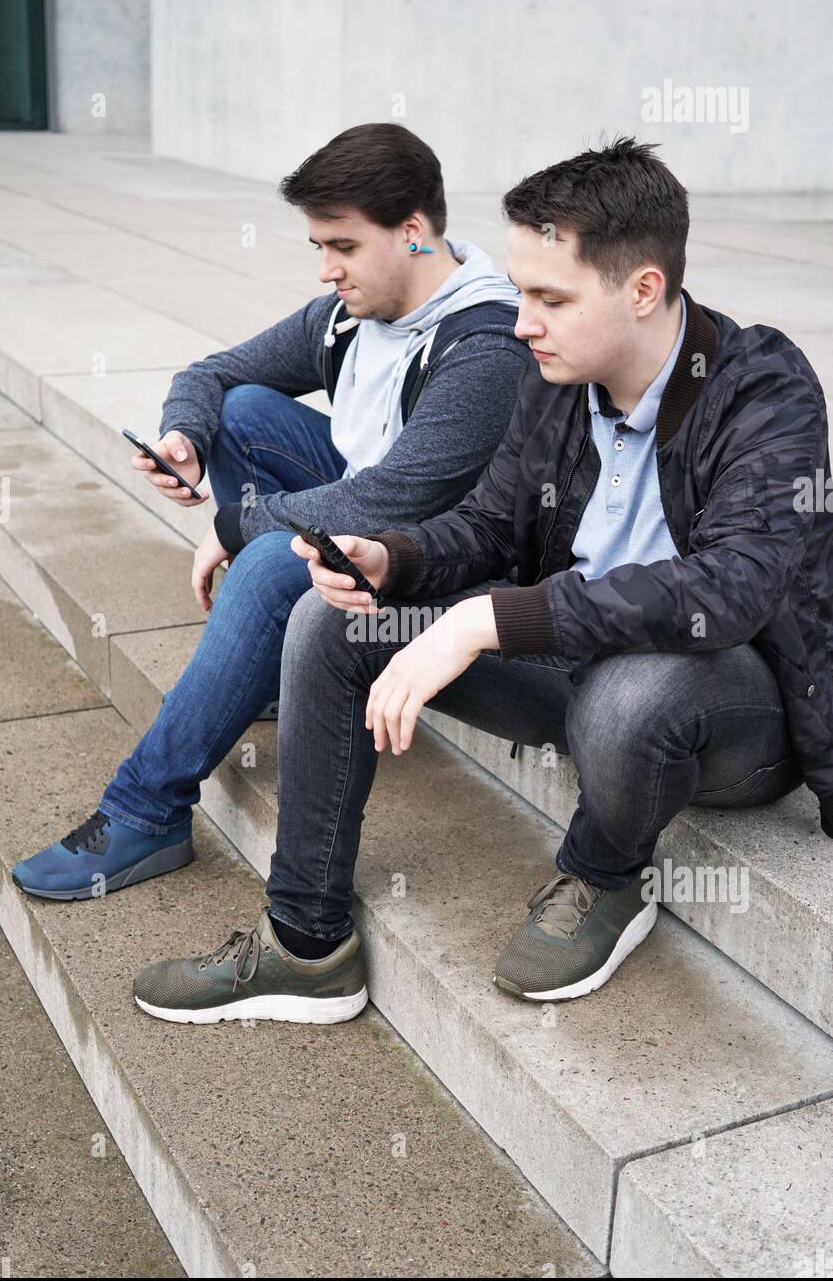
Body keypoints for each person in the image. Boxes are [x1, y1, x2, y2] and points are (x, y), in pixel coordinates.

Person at [128, 136, 833, 1025]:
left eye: (549, 296)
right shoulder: (554, 372)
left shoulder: (761, 386)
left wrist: (481, 623)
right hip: (571, 655)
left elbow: (730, 589)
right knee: (330, 621)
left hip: (727, 706)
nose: (521, 318)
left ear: (643, 289)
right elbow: (493, 523)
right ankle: (305, 947)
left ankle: (604, 880)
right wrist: (396, 558)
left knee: (631, 694)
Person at [11, 122, 528, 940]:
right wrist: (185, 437)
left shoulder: (486, 347)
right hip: (371, 519)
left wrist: (239, 523)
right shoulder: (349, 315)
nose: (326, 269)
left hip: (438, 561)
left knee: (260, 567)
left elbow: (392, 498)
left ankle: (147, 813)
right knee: (244, 414)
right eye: (318, 245)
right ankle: (265, 669)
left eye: (342, 246)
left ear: (414, 233)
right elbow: (213, 375)